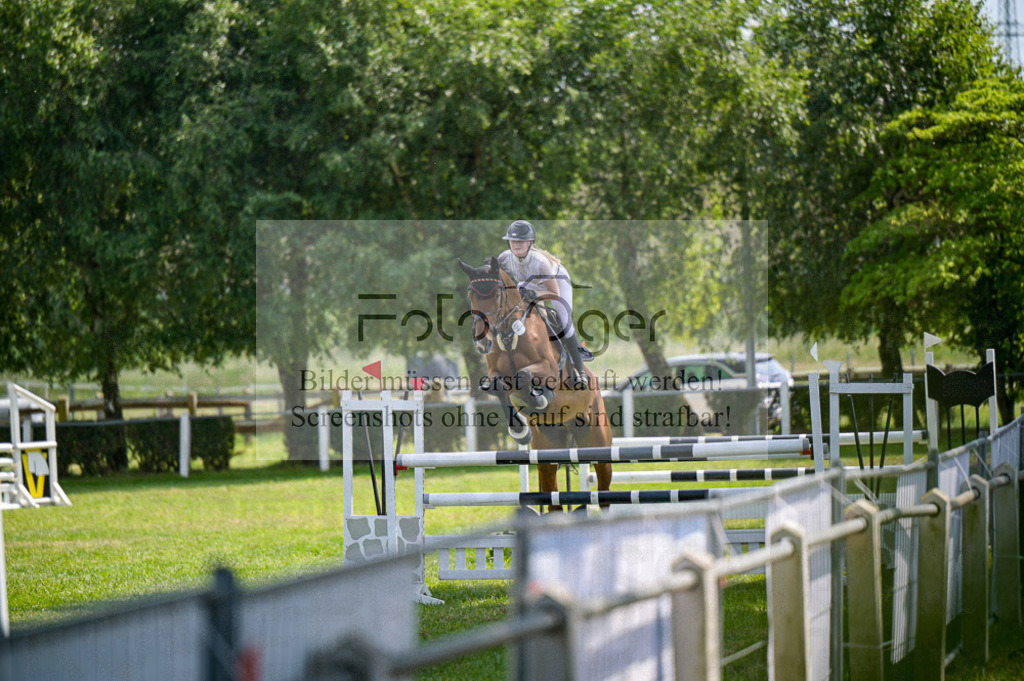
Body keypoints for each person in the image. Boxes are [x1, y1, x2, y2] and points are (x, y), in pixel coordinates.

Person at [496, 220, 590, 383]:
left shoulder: (541, 262)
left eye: (521, 241)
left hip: (557, 283)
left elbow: (554, 293)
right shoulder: (504, 258)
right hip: (528, 282)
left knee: (565, 323)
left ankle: (579, 371)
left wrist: (534, 294)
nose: (516, 245)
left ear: (530, 243)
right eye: (513, 241)